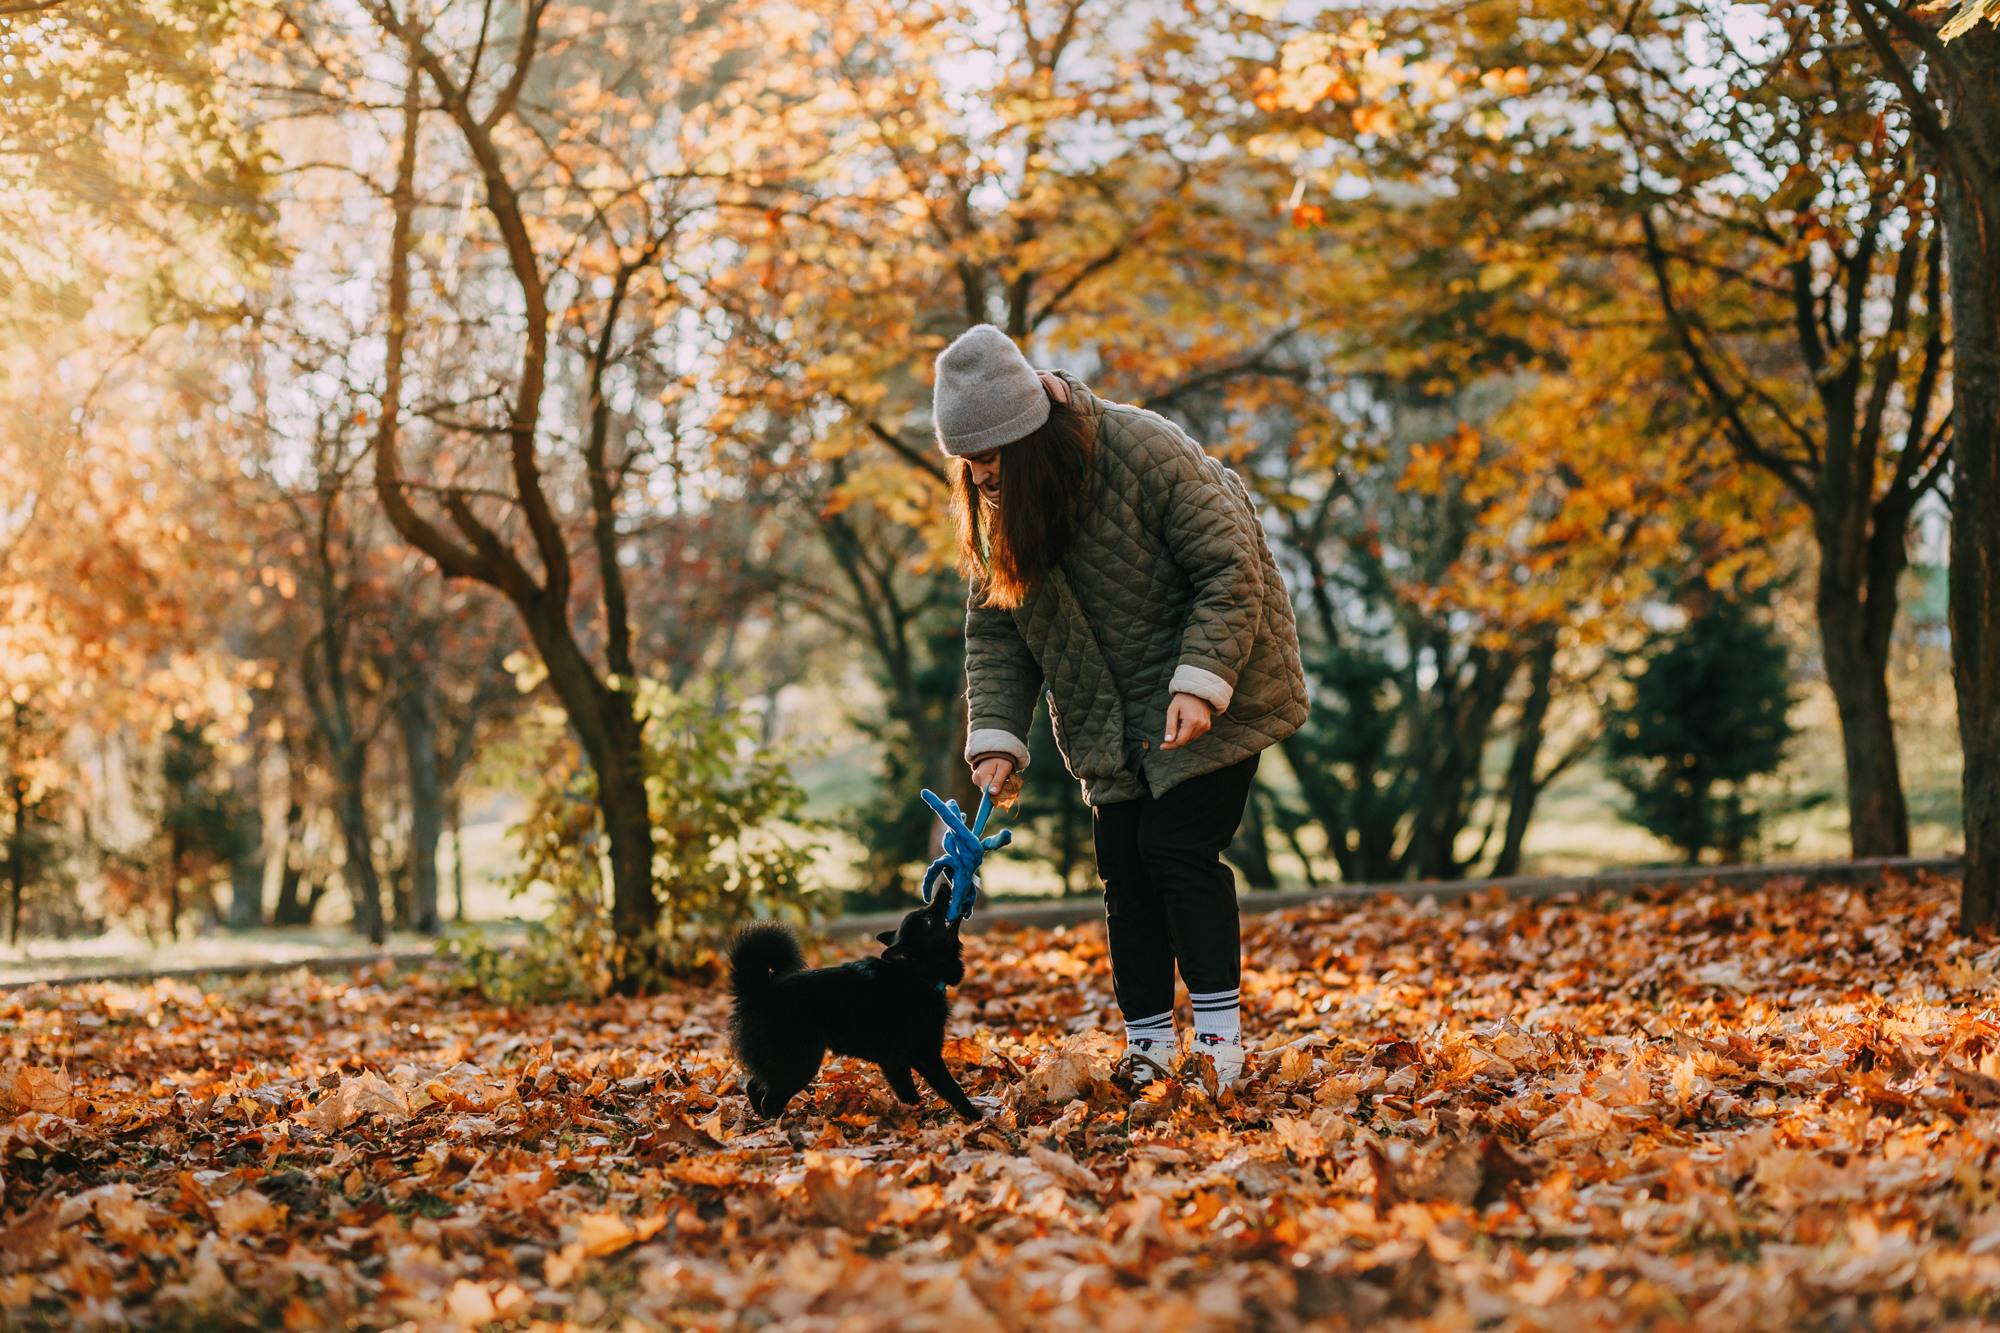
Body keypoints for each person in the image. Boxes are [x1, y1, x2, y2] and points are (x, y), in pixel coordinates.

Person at [936, 324, 1307, 1087]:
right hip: (1109, 717)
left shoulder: (1144, 449)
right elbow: (997, 630)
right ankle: (1147, 1048)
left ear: (1027, 434)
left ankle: (1218, 1049)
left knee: (1175, 850)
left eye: (991, 462)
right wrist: (998, 737)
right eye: (968, 468)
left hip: (1217, 680)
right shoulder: (996, 509)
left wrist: (1199, 680)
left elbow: (1229, 565)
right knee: (1123, 869)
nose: (981, 481)